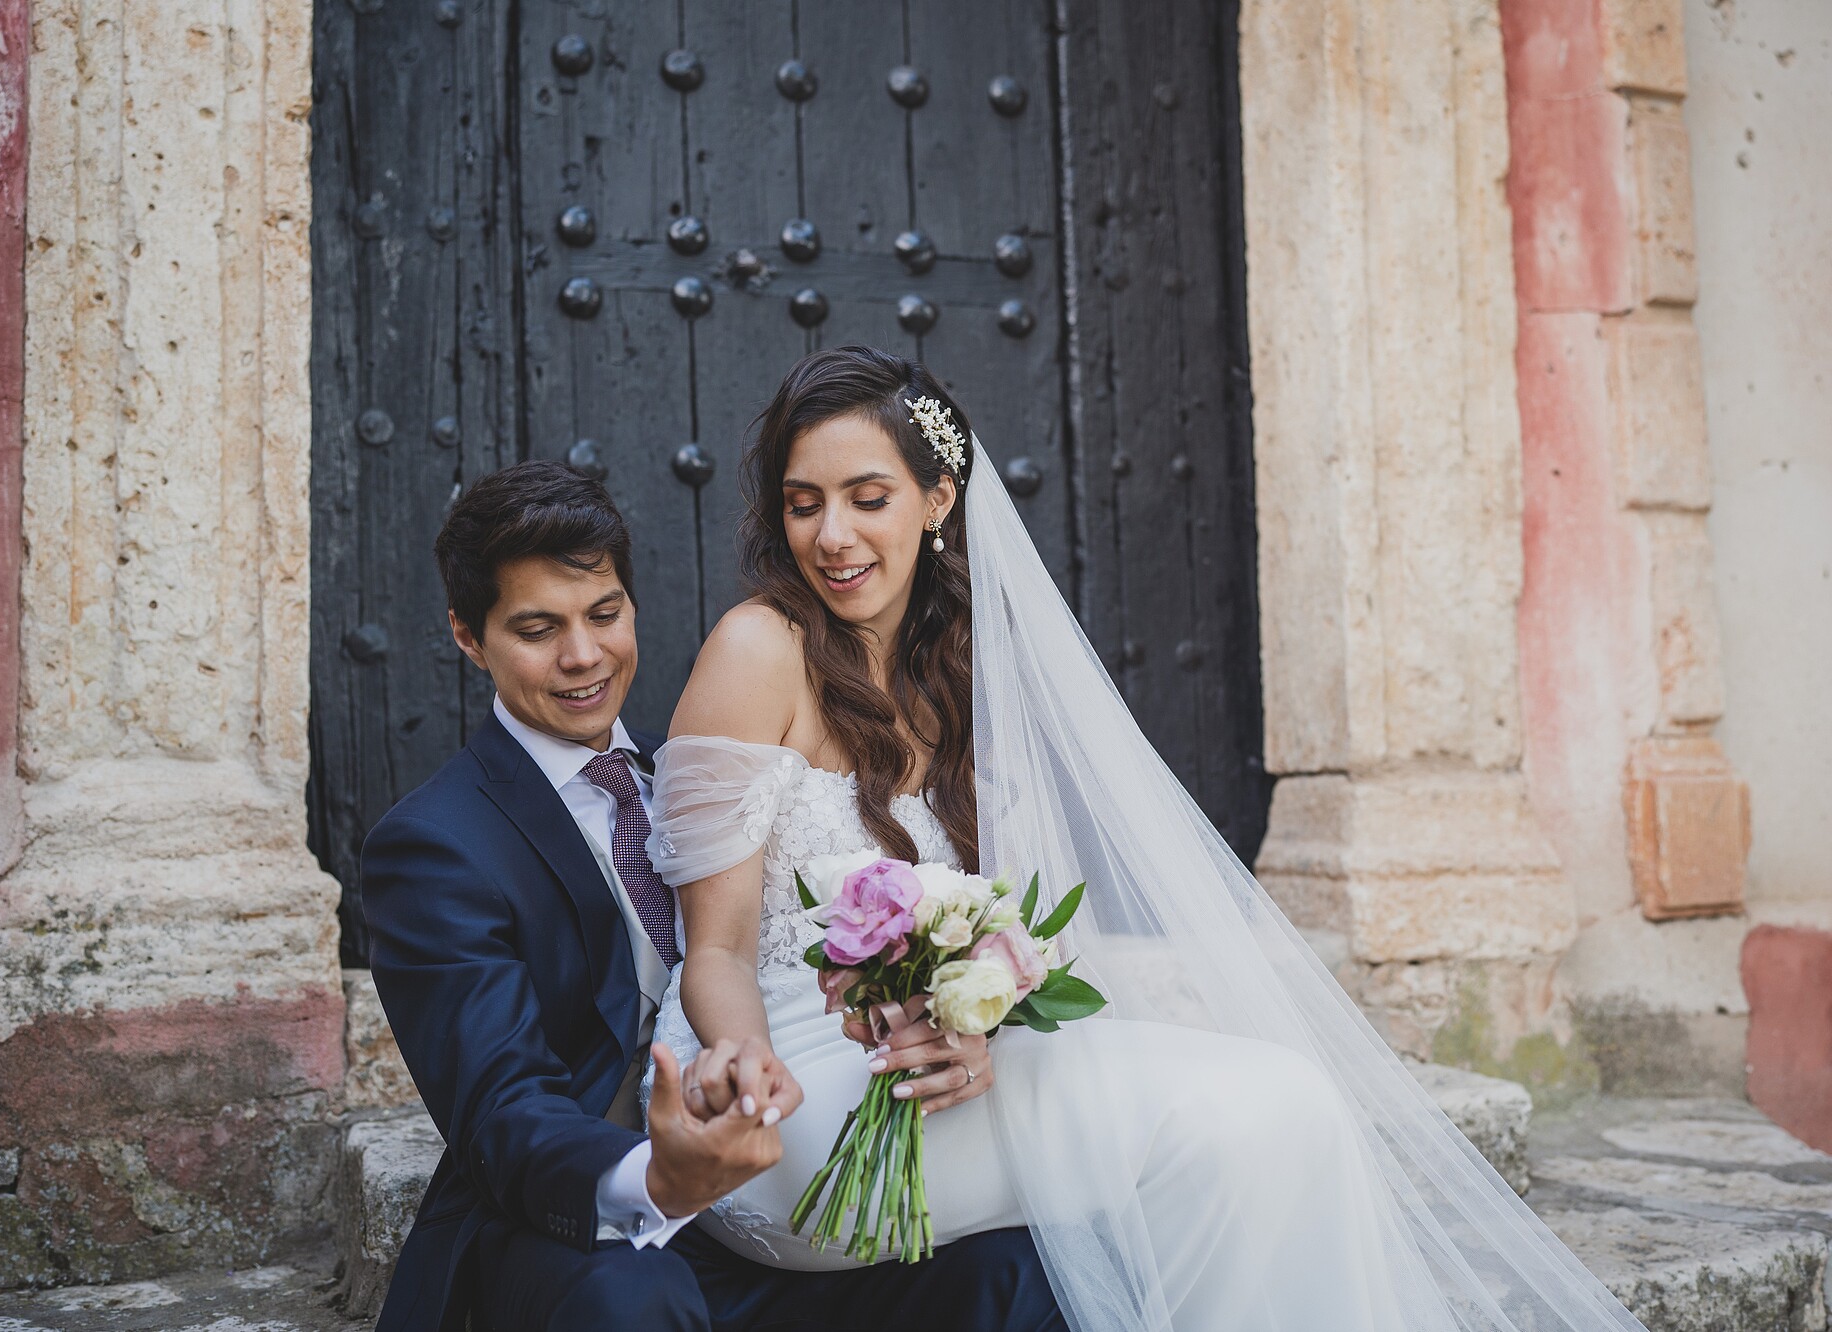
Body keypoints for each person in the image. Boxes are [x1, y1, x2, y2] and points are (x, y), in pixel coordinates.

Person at [645, 346, 1652, 1332]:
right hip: (784, 1122)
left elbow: (988, 939)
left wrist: (973, 1032)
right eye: (801, 500)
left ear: (937, 500)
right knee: (1274, 1112)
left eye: (866, 496)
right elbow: (718, 947)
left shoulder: (951, 674)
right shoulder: (757, 649)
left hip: (920, 1098)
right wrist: (741, 1054)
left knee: (1276, 1118)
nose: (831, 533)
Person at [359, 460, 1066, 1332]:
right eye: (538, 629)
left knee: (1026, 1266)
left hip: (786, 1202)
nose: (583, 656)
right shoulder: (433, 845)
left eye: (604, 615)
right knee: (634, 1302)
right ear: (471, 637)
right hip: (581, 1224)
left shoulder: (715, 770)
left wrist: (943, 1030)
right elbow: (501, 1113)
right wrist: (655, 1180)